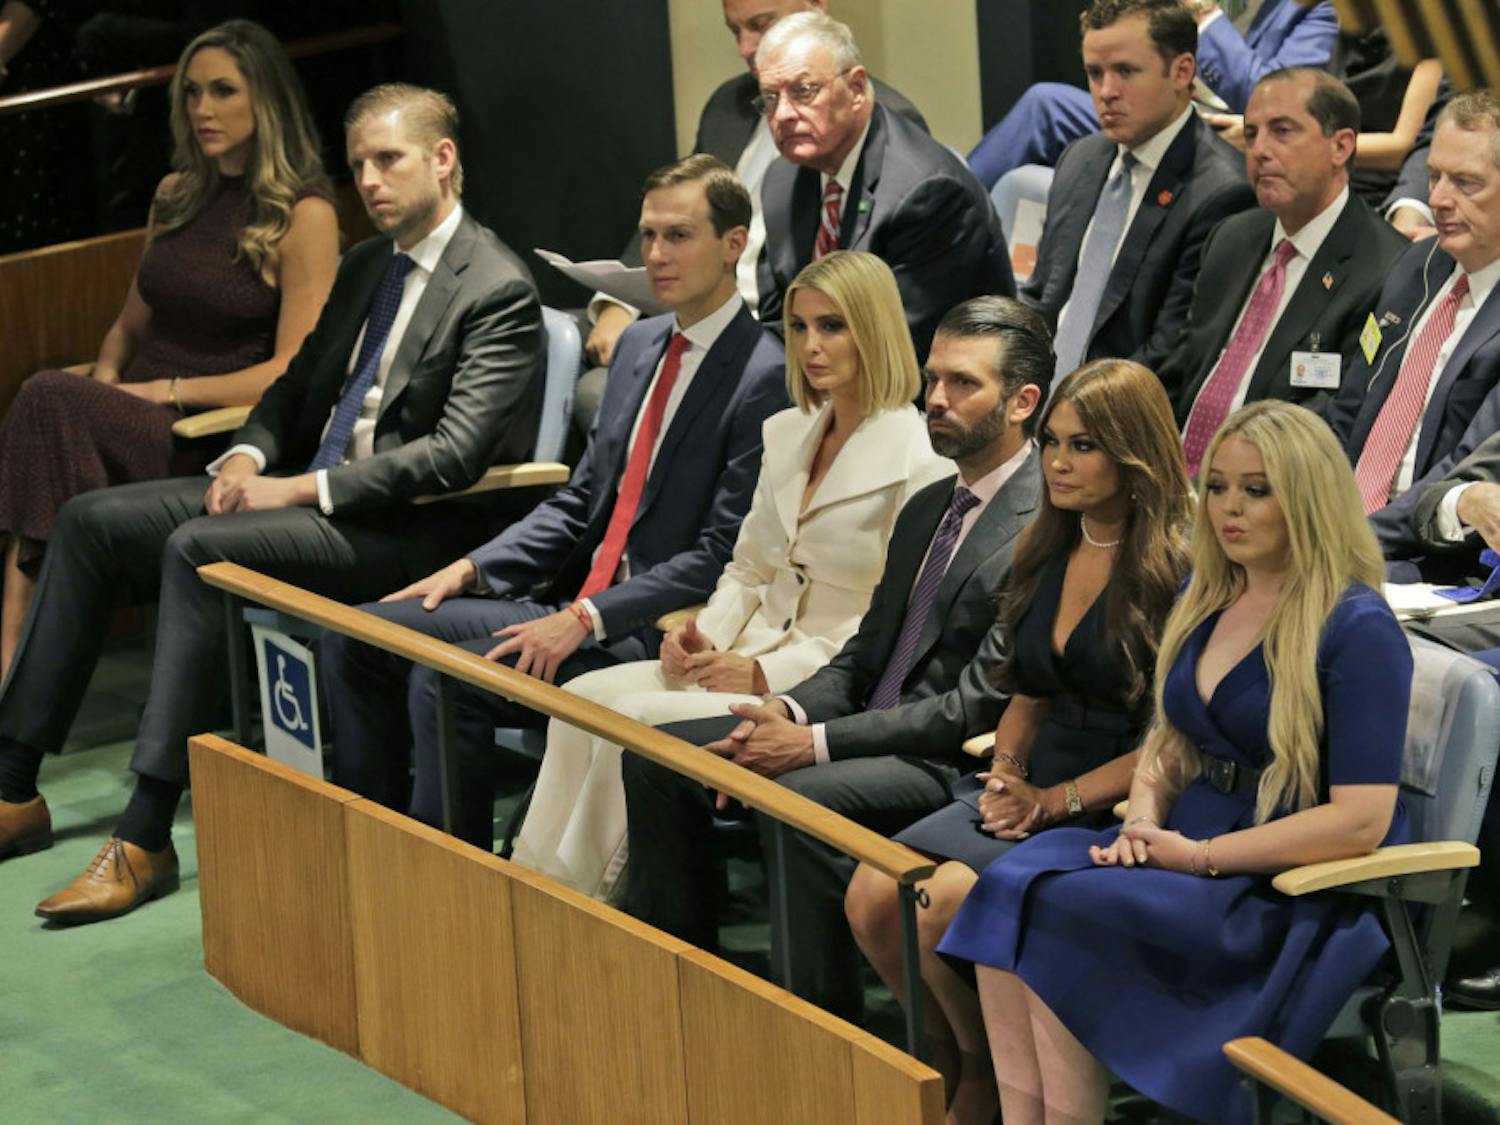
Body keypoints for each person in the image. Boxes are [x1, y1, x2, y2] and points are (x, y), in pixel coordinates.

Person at [0, 84, 548, 920]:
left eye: (389, 159)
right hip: (304, 500)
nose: (369, 180)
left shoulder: (497, 287)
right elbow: (296, 388)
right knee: (91, 521)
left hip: (403, 533)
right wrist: (251, 450)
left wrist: (295, 484)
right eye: (359, 162)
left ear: (443, 159)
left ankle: (145, 832)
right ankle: (11, 784)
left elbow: (453, 455)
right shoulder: (371, 265)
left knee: (196, 547)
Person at [939, 400, 1412, 1124]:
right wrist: (1147, 820)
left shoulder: (1358, 626)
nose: (1228, 508)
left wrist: (1198, 856)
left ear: (1309, 496)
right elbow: (1169, 738)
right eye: (1217, 485)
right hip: (1184, 838)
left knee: (1064, 909)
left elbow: (1361, 819)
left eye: (1257, 490)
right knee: (1006, 882)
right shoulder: (1206, 592)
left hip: (1282, 880)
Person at [318, 154, 788, 852]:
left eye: (678, 236)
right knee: (354, 634)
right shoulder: (639, 343)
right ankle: (370, 843)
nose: (656, 255)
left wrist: (586, 617)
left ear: (733, 244)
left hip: (649, 629)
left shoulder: (763, 374)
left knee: (443, 682)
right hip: (571, 603)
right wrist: (473, 568)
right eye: (649, 235)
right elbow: (581, 500)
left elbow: (719, 554)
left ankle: (450, 882)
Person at [619, 296, 1047, 1022]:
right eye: (932, 379)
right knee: (661, 757)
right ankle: (679, 995)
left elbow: (973, 704)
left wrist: (810, 744)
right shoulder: (931, 504)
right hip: (864, 728)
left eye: (963, 384)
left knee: (799, 797)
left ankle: (817, 1031)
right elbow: (863, 657)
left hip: (950, 758)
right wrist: (785, 710)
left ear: (1021, 402)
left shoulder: (1040, 522)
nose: (936, 400)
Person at [512, 250, 951, 898]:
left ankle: (584, 901)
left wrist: (764, 674)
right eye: (799, 327)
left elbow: (880, 628)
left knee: (633, 723)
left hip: (811, 682)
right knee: (581, 704)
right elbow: (747, 567)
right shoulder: (789, 431)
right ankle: (534, 881)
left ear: (875, 329)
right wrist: (703, 636)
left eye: (832, 326)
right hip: (739, 651)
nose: (810, 346)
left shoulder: (922, 462)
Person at [845, 358, 1192, 1125]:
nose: (1058, 462)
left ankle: (989, 1078)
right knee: (874, 890)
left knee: (939, 902)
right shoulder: (1046, 543)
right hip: (1028, 779)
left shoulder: (1178, 568)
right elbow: (1027, 687)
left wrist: (1054, 800)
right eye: (1052, 443)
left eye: (1084, 446)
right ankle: (963, 1052)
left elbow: (1172, 741)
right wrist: (1006, 771)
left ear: (1132, 457)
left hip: (1115, 793)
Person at [0, 19, 339, 680]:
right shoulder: (175, 195)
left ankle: (16, 659)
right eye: (191, 93)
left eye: (222, 92)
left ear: (266, 100)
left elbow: (293, 373)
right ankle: (21, 660)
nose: (202, 110)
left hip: (208, 434)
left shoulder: (302, 213)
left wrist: (163, 393)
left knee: (44, 397)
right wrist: (102, 385)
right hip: (133, 415)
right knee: (53, 410)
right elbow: (128, 327)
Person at [577, 0, 928, 427]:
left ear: (816, 6)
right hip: (694, 306)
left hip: (778, 330)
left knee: (602, 396)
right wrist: (619, 302)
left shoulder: (873, 128)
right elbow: (675, 203)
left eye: (761, 25)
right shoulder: (729, 105)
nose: (746, 47)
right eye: (735, 31)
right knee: (574, 348)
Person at [1162, 68, 1406, 461]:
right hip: (1173, 474)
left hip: (1271, 485)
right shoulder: (1231, 238)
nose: (1259, 150)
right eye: (1252, 133)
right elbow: (1181, 367)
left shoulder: (1385, 269)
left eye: (1282, 131)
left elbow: (1334, 420)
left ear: (1340, 147)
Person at [754, 11, 1013, 362]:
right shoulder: (781, 181)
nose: (782, 114)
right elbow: (776, 325)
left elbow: (901, 350)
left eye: (804, 91)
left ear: (857, 88)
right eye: (770, 98)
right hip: (821, 389)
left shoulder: (928, 192)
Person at [1019, 0, 1254, 386]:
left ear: (1182, 72)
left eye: (1126, 71)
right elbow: (1042, 297)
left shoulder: (1222, 194)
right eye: (1095, 73)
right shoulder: (1080, 159)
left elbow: (1171, 354)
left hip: (1119, 419)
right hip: (1038, 399)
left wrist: (1065, 415)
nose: (1106, 92)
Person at [1325, 92, 1500, 525]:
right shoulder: (1416, 265)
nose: (1438, 199)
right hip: (1337, 527)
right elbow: (1349, 408)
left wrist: (1355, 540)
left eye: (1465, 182)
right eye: (1433, 176)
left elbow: (1468, 473)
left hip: (1426, 556)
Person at [967, 0, 1337, 190]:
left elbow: (1274, 99)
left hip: (1223, 130)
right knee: (1045, 103)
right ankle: (955, 201)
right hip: (1163, 104)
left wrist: (1203, 14)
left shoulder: (1316, 8)